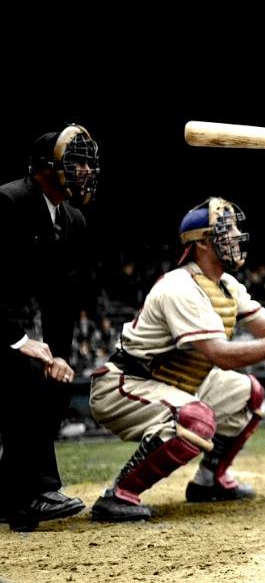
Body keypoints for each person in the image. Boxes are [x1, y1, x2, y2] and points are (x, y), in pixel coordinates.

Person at [88, 197, 265, 521]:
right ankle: (119, 494)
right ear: (203, 243)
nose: (235, 235)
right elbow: (222, 355)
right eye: (226, 229)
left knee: (250, 395)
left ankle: (210, 480)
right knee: (197, 420)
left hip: (176, 383)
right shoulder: (180, 287)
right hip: (127, 383)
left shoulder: (227, 284)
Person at [0, 125, 99, 531]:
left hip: (29, 332)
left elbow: (63, 299)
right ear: (45, 168)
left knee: (51, 387)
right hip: (3, 331)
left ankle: (14, 498)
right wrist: (20, 342)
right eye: (76, 163)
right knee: (26, 379)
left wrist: (57, 355)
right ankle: (38, 490)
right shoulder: (8, 202)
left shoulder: (73, 220)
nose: (87, 172)